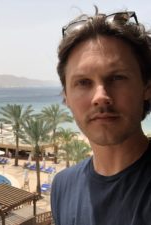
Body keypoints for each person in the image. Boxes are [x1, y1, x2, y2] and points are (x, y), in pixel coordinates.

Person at [51, 7, 151, 225]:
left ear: (146, 87)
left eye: (117, 78)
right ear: (66, 97)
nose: (100, 97)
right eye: (83, 82)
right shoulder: (62, 187)